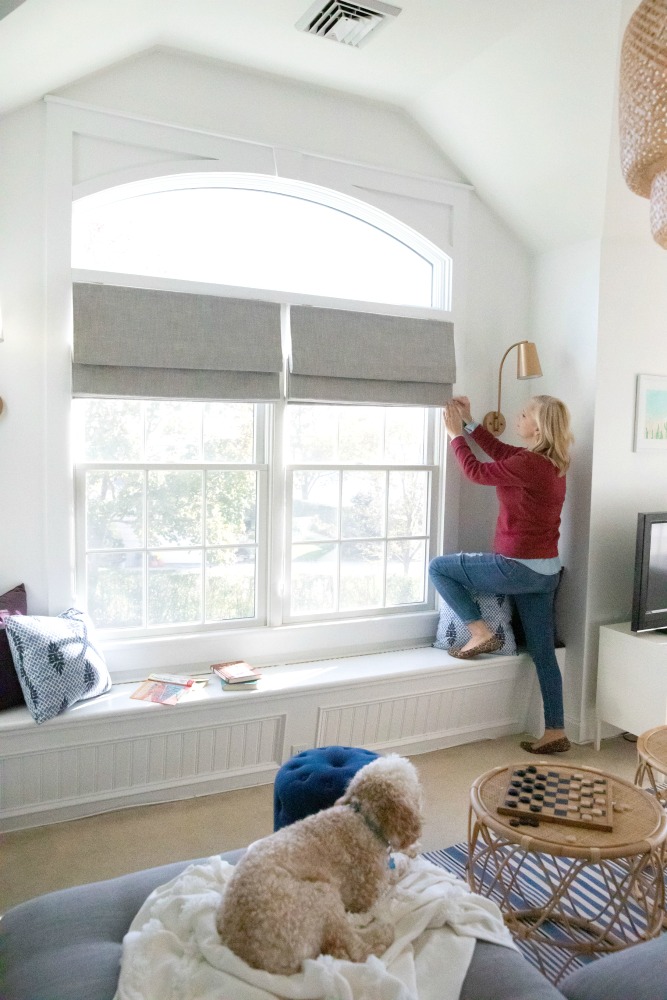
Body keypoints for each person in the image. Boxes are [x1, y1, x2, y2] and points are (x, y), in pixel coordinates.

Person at [429, 394, 574, 755]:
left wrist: (454, 436)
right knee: (543, 653)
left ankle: (480, 633)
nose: (517, 417)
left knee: (439, 568)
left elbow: (476, 472)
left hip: (518, 567)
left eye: (524, 414)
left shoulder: (530, 464)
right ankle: (556, 730)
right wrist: (468, 421)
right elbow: (499, 450)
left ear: (538, 426)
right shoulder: (549, 462)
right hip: (546, 572)